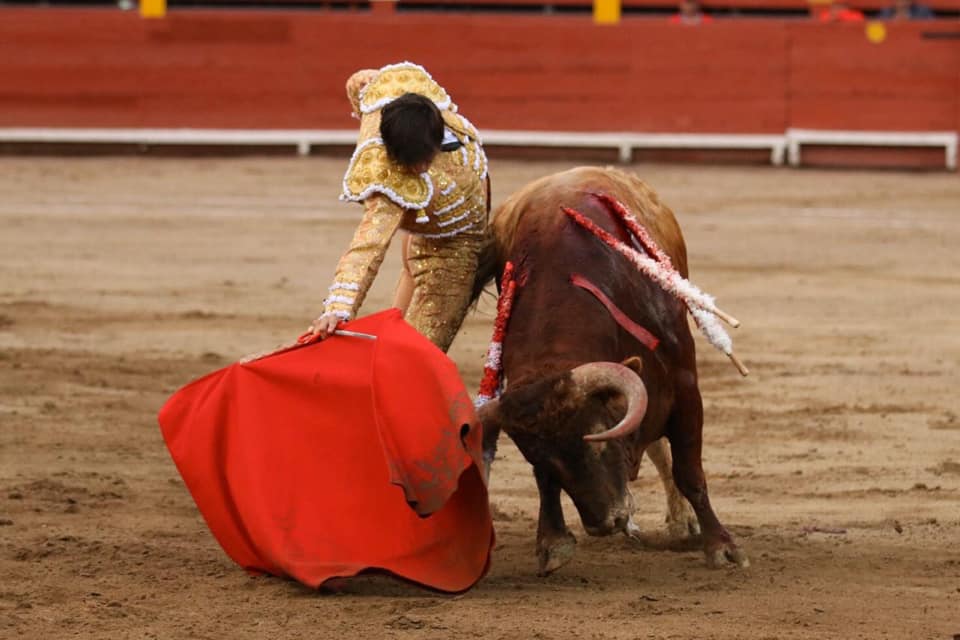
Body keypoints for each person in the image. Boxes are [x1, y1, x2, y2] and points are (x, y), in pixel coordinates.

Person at [310, 62, 490, 353]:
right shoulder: (390, 183)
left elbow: (360, 81)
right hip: (453, 246)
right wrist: (338, 309)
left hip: (436, 221)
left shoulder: (395, 89)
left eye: (425, 158)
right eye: (412, 163)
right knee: (420, 354)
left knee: (400, 344)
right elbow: (367, 247)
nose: (420, 167)